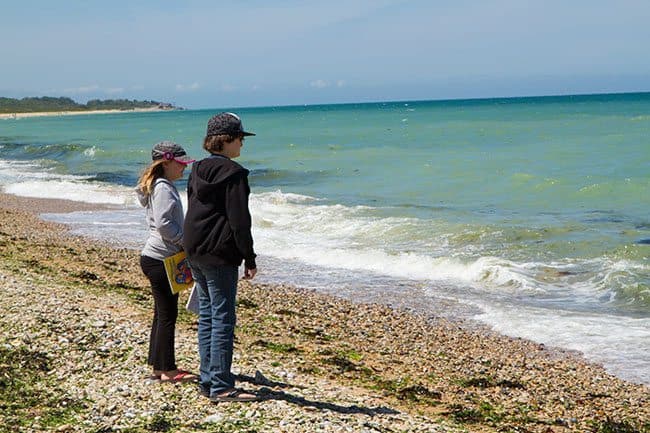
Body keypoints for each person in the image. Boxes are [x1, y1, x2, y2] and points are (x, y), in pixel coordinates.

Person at [183, 112, 259, 402]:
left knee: (207, 314)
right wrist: (249, 258)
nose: (242, 144)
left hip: (195, 247)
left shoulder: (197, 169)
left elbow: (195, 207)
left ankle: (207, 379)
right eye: (240, 138)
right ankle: (221, 386)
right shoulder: (234, 174)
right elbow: (240, 221)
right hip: (218, 252)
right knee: (223, 316)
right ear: (227, 140)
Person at [136, 141, 198, 383]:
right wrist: (185, 242)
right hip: (160, 258)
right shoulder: (163, 187)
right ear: (167, 162)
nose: (184, 168)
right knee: (167, 315)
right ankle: (168, 370)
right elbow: (163, 224)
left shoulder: (159, 185)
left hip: (156, 257)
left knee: (162, 314)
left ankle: (158, 366)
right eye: (181, 164)